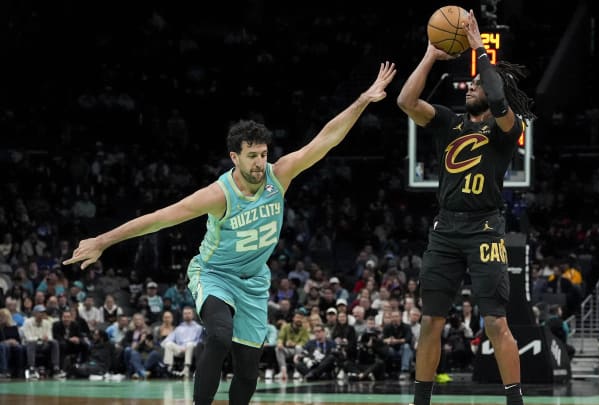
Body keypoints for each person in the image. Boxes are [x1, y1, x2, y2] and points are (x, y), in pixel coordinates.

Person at [63, 62, 396, 405]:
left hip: (253, 281)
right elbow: (160, 218)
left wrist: (363, 99)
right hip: (215, 274)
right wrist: (103, 240)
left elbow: (325, 139)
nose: (258, 163)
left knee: (249, 371)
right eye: (251, 156)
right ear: (234, 157)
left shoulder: (278, 176)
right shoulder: (218, 195)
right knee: (220, 338)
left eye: (263, 154)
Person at [397, 9, 534, 405]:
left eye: (477, 85)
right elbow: (406, 100)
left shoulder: (507, 130)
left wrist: (478, 47)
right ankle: (421, 400)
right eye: (471, 84)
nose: (470, 89)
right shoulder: (448, 122)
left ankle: (515, 401)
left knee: (495, 321)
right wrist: (429, 54)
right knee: (430, 321)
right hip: (445, 230)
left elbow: (496, 94)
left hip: (485, 229)